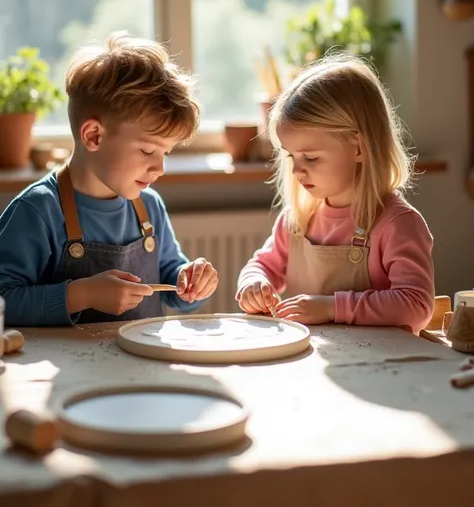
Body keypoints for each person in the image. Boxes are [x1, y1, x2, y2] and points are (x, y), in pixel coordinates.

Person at [0, 32, 218, 326]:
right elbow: (5, 299)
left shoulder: (149, 206)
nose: (160, 168)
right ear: (94, 135)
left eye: (165, 153)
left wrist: (191, 283)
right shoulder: (37, 210)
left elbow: (171, 282)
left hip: (139, 370)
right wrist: (81, 295)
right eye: (148, 150)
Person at [237, 54, 434, 334]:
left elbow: (416, 306)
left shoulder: (397, 224)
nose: (297, 171)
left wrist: (332, 307)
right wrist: (253, 283)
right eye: (292, 157)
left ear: (359, 148)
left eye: (311, 158)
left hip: (378, 369)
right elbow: (261, 265)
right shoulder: (297, 220)